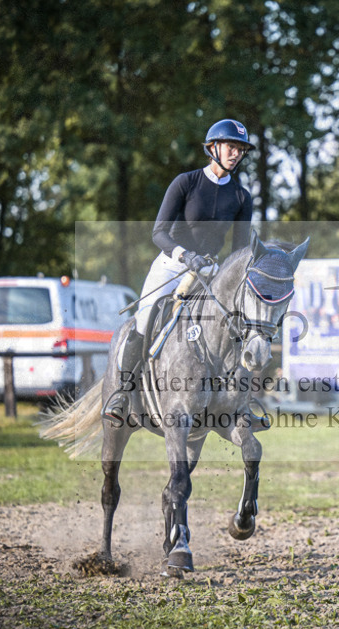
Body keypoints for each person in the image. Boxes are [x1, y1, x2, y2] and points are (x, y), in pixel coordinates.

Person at [103, 118, 255, 423]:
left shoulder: (241, 197)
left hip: (210, 273)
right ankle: (122, 393)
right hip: (172, 266)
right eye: (231, 146)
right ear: (213, 148)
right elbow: (158, 232)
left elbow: (239, 251)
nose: (236, 153)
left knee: (236, 327)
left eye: (240, 149)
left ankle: (240, 404)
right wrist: (186, 255)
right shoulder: (186, 183)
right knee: (144, 322)